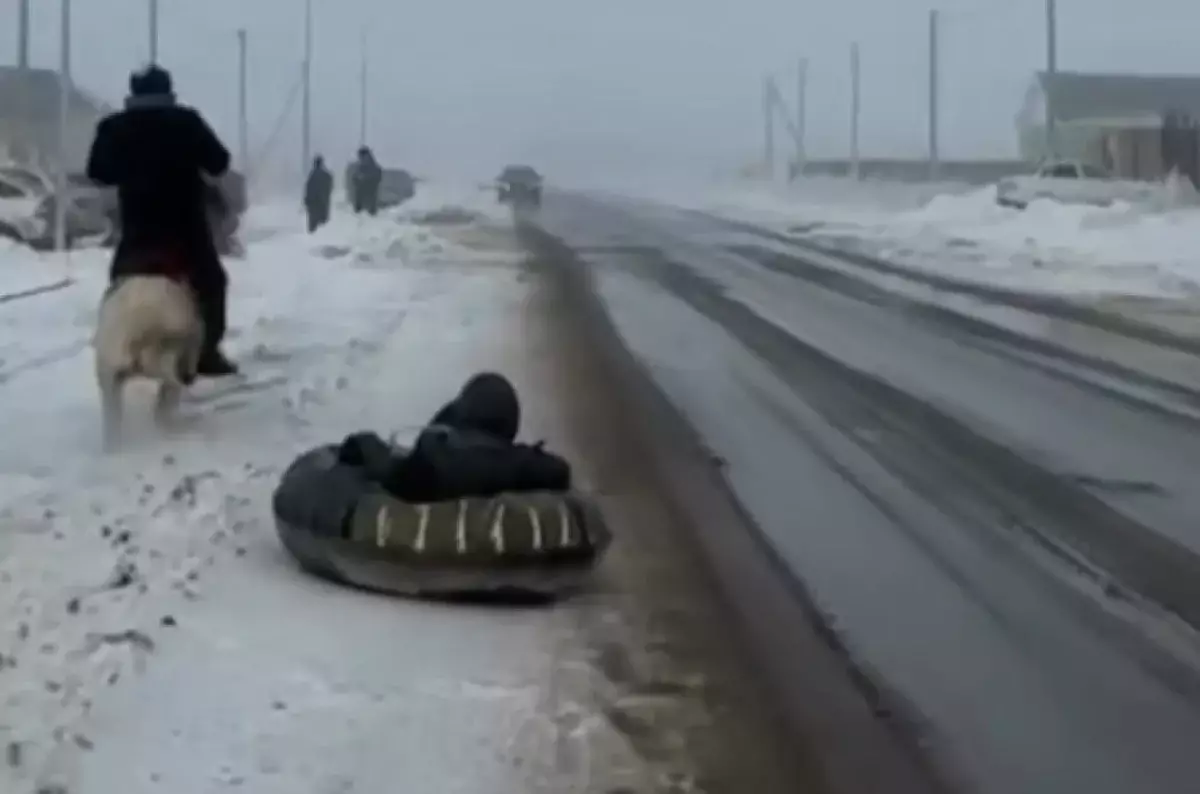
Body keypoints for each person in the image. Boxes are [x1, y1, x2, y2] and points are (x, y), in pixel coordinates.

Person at [86, 64, 238, 376]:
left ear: (133, 92)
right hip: (185, 228)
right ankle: (207, 352)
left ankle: (115, 342)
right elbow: (219, 161)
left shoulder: (113, 127)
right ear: (168, 91)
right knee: (212, 283)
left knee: (118, 283)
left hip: (137, 230)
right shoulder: (186, 122)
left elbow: (97, 172)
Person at [304, 155, 334, 233]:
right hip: (323, 203)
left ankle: (314, 240)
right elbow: (330, 187)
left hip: (314, 204)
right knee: (323, 226)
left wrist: (307, 201)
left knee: (313, 227)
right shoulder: (326, 175)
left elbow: (308, 189)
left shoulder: (312, 175)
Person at [350, 146, 382, 216]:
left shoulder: (373, 167)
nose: (360, 158)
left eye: (361, 156)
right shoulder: (360, 167)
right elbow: (354, 178)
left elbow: (377, 178)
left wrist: (364, 178)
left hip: (370, 199)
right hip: (361, 202)